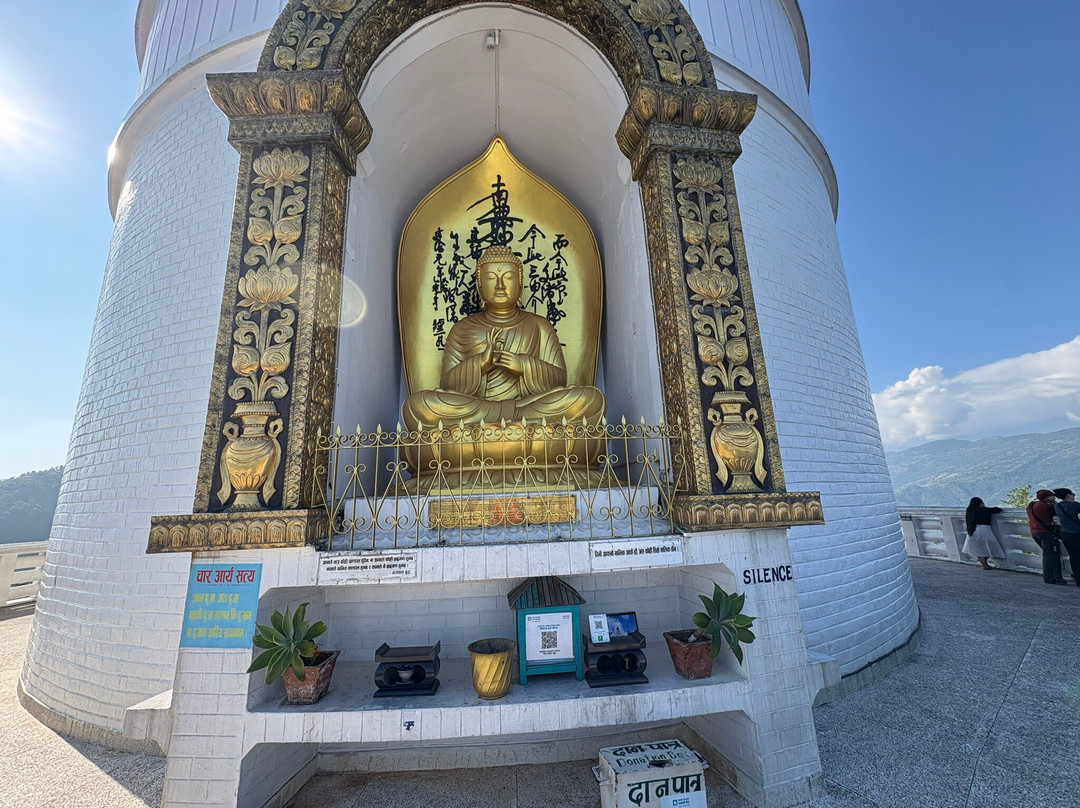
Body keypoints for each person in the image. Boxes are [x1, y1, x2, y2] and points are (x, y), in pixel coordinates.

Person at [1026, 489, 1067, 584]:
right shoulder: (1045, 506)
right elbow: (1059, 511)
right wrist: (1055, 503)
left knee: (1049, 554)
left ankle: (1053, 576)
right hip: (1045, 532)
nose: (1054, 497)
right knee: (1050, 555)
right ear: (1047, 497)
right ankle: (1050, 577)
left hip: (1034, 532)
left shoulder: (1031, 505)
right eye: (1052, 496)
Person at [963, 497, 1006, 570]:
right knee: (992, 547)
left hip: (972, 530)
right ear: (980, 503)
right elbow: (998, 509)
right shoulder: (985, 510)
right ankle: (985, 563)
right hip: (984, 530)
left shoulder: (969, 511)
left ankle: (984, 564)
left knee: (977, 549)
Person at [1052, 488, 1080, 587]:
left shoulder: (1057, 506)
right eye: (1073, 494)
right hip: (1077, 532)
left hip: (1064, 533)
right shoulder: (1075, 505)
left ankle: (1078, 579)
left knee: (1074, 556)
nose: (1073, 496)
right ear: (1068, 495)